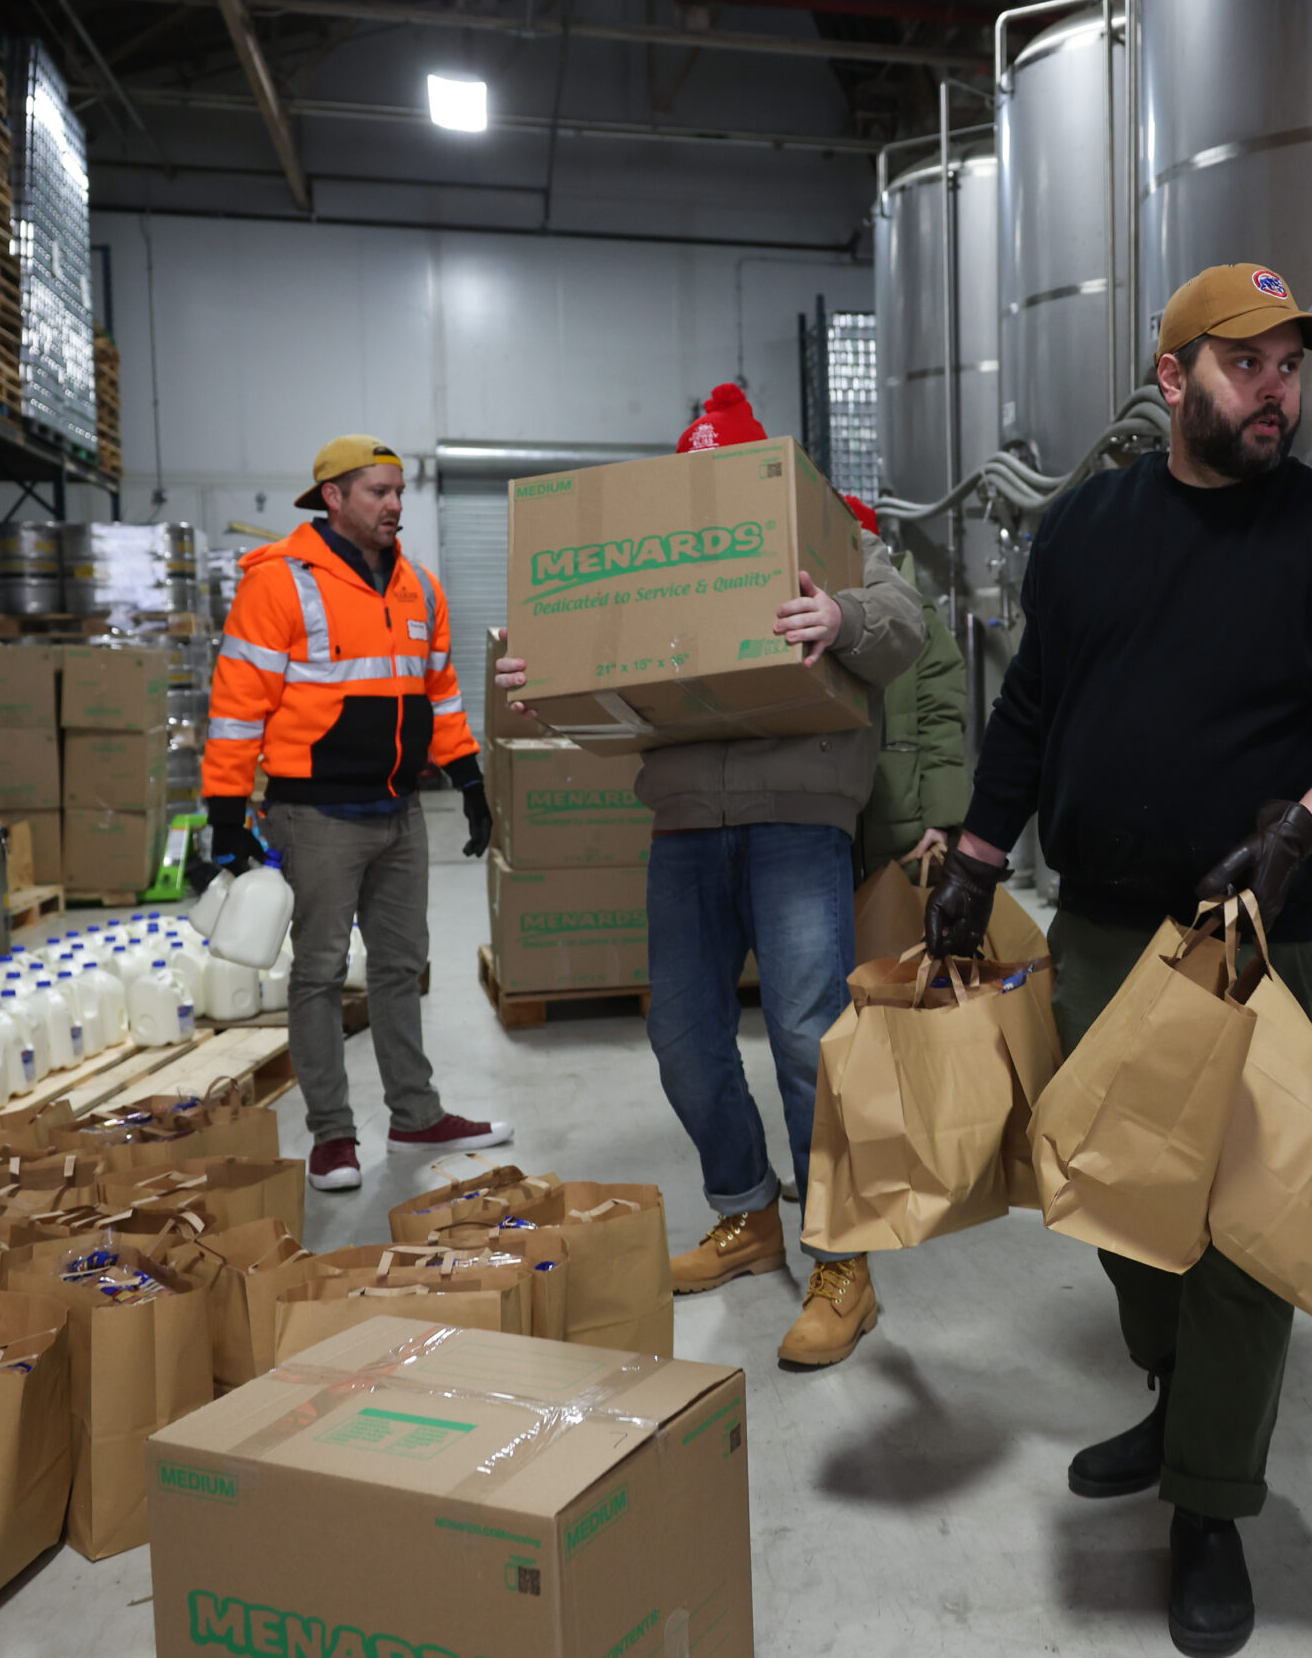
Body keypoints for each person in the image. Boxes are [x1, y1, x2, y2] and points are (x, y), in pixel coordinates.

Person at [924, 263, 1312, 1658]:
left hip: (1250, 927)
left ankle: (1211, 1498)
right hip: (1096, 912)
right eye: (1247, 362)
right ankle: (1175, 1390)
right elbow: (1032, 705)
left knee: (1238, 1219)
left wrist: (1303, 824)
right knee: (1106, 1178)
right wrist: (978, 856)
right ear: (1173, 380)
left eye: (1292, 365)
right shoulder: (1087, 527)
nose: (1279, 388)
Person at [493, 385, 925, 1367]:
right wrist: (541, 681)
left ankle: (842, 1260)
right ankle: (745, 1213)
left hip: (796, 822)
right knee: (683, 1035)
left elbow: (901, 626)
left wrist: (840, 612)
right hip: (686, 824)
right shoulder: (659, 570)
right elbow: (606, 696)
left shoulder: (836, 535)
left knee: (809, 1043)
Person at [206, 433, 512, 1195]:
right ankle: (332, 1137)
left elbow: (438, 693)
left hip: (400, 812)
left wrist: (469, 779)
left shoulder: (421, 588)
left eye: (400, 492)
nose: (395, 506)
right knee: (317, 974)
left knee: (402, 966)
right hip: (315, 816)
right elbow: (238, 703)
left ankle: (415, 1112)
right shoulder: (280, 583)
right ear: (333, 498)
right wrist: (224, 808)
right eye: (379, 492)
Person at [852, 503, 969, 885]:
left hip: (905, 833)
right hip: (836, 832)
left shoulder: (921, 623)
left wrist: (942, 818)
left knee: (897, 938)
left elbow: (942, 723)